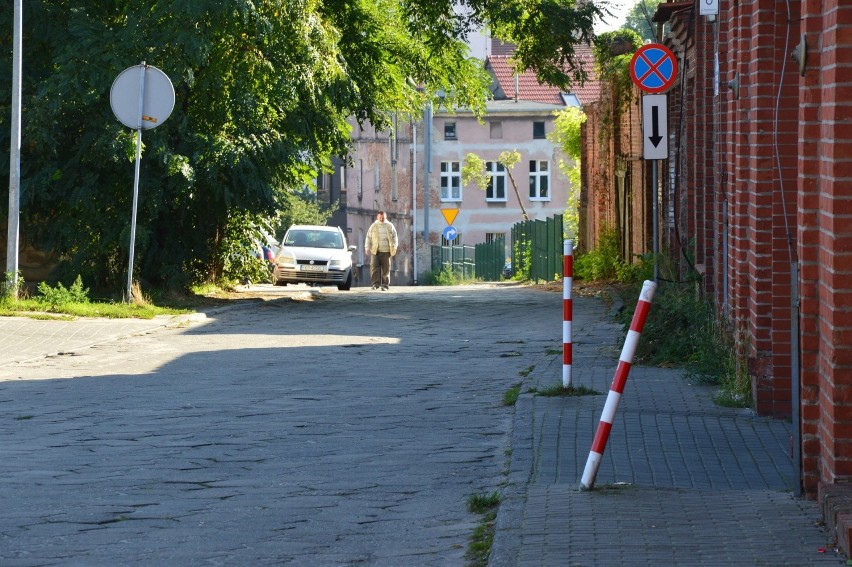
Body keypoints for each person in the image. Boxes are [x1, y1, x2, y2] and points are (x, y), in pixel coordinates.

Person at [365, 210, 398, 290]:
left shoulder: (390, 226)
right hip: (375, 251)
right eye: (380, 217)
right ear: (377, 217)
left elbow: (395, 237)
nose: (381, 219)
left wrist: (395, 246)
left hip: (386, 251)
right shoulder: (373, 226)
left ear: (385, 217)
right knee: (374, 268)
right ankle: (375, 284)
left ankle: (385, 285)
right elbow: (368, 237)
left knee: (386, 269)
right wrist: (367, 247)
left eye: (383, 217)